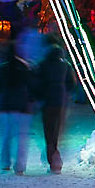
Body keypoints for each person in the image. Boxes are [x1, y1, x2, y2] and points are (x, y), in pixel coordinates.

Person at [0, 34, 36, 175]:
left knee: (5, 136)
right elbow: (32, 86)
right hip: (21, 107)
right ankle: (19, 166)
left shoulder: (1, 68)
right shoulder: (24, 67)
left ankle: (5, 162)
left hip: (4, 106)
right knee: (21, 138)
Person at [38, 42, 69, 174]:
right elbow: (71, 83)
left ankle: (52, 159)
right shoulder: (65, 66)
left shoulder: (43, 65)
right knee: (56, 130)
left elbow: (37, 83)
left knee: (48, 131)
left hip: (47, 101)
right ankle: (55, 160)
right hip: (59, 100)